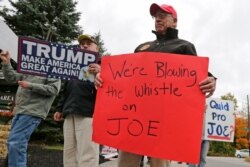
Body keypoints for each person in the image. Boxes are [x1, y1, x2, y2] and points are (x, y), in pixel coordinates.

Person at [95, 3, 216, 167]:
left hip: (165, 123)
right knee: (125, 163)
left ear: (174, 21)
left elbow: (195, 76)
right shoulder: (142, 48)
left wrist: (211, 80)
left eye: (163, 16)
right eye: (155, 16)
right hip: (135, 121)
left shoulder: (184, 46)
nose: (158, 19)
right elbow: (127, 78)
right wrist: (105, 80)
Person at [0, 50, 61, 167]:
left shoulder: (53, 69)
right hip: (20, 111)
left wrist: (30, 85)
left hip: (33, 111)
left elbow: (54, 89)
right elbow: (12, 78)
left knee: (16, 143)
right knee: (13, 143)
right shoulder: (30, 68)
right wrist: (6, 62)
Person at [53, 34, 100, 167]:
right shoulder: (72, 66)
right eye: (82, 43)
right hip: (69, 112)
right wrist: (60, 108)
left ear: (97, 48)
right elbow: (66, 88)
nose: (84, 45)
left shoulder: (103, 65)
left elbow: (113, 87)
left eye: (89, 43)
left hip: (89, 113)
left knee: (87, 153)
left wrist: (101, 72)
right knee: (69, 152)